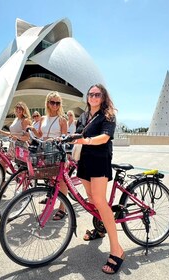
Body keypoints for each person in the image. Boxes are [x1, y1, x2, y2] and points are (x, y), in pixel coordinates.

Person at [72, 84, 124, 274]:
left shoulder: (107, 115)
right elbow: (78, 135)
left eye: (97, 94)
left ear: (103, 97)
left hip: (100, 161)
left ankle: (117, 250)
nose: (93, 97)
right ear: (87, 97)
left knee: (100, 202)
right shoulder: (83, 116)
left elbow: (105, 137)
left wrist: (86, 141)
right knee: (92, 199)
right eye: (91, 94)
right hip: (84, 162)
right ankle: (101, 227)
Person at [31, 91, 68, 220]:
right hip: (45, 152)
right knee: (51, 179)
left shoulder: (62, 120)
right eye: (52, 102)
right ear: (47, 103)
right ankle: (52, 201)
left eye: (58, 103)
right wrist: (32, 130)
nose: (55, 105)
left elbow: (64, 137)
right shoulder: (43, 118)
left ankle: (63, 208)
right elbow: (40, 134)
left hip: (56, 152)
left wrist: (57, 139)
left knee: (61, 180)